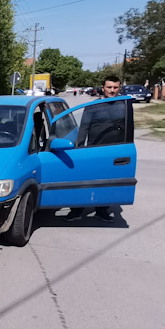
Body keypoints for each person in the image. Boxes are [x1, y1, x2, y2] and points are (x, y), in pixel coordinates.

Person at [64, 75, 126, 223]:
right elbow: (84, 128)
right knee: (85, 182)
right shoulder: (93, 106)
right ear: (103, 88)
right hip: (94, 150)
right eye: (109, 87)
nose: (112, 90)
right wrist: (79, 150)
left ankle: (101, 210)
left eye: (115, 87)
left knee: (107, 183)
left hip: (113, 151)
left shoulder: (124, 105)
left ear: (119, 88)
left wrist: (126, 148)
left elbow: (127, 128)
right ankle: (77, 210)